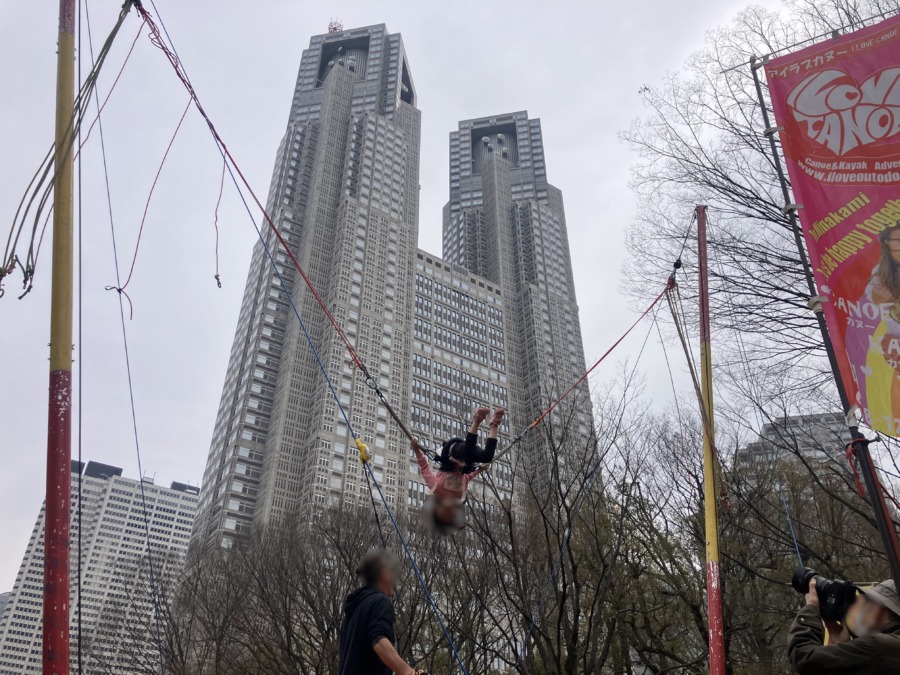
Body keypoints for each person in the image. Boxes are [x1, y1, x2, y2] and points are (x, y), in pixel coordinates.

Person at [412, 406, 505, 534]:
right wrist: (481, 469)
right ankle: (494, 424)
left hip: (451, 451)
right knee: (487, 457)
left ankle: (477, 420)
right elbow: (468, 477)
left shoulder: (435, 489)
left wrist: (416, 450)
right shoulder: (459, 496)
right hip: (467, 460)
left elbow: (424, 467)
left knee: (466, 454)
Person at [788, 577, 900, 673]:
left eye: (871, 603)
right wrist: (842, 648)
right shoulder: (888, 648)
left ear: (889, 612)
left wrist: (811, 608)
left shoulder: (877, 647)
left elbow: (803, 658)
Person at [339, 549, 422, 675]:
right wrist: (407, 671)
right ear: (383, 573)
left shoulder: (353, 609)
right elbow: (379, 640)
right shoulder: (380, 601)